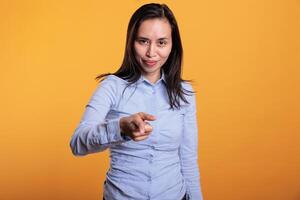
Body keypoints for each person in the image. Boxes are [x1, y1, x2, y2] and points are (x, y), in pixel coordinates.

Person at [69, 3, 203, 200]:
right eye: (143, 41)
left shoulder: (185, 93)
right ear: (131, 42)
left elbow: (188, 160)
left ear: (173, 45)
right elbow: (77, 144)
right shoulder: (111, 87)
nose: (151, 53)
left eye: (162, 42)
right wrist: (120, 128)